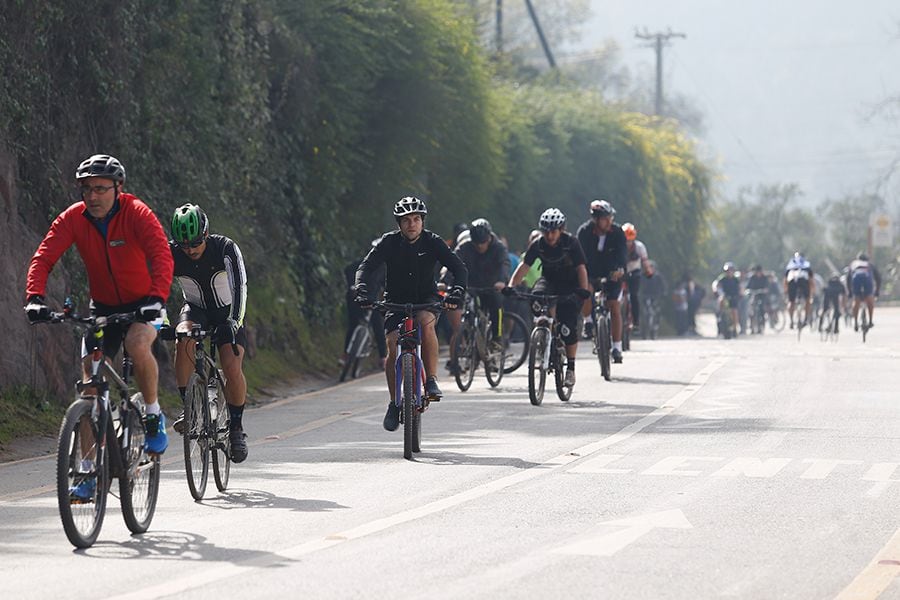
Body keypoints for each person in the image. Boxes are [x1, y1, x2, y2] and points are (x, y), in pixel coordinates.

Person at [25, 154, 173, 498]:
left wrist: (156, 298)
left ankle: (152, 413)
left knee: (138, 345)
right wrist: (35, 296)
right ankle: (89, 471)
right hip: (104, 308)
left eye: (101, 189)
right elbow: (44, 256)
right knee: (89, 387)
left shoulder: (137, 214)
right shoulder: (73, 219)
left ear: (118, 188)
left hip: (144, 304)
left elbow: (161, 255)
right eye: (87, 189)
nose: (92, 196)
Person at [355, 197, 467, 432]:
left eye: (416, 219)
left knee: (426, 324)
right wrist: (362, 290)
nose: (412, 224)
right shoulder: (388, 242)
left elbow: (459, 268)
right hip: (395, 301)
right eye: (406, 220)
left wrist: (457, 291)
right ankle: (394, 404)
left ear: (422, 221)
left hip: (425, 299)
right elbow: (365, 268)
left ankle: (432, 380)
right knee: (392, 345)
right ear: (399, 224)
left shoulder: (433, 242)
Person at [169, 204, 251, 463]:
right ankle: (190, 408)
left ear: (205, 234)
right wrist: (159, 320)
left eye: (195, 243)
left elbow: (240, 286)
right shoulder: (171, 253)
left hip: (228, 313)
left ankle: (236, 427)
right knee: (182, 339)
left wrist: (234, 321)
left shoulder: (225, 248)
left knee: (231, 364)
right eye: (184, 245)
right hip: (195, 310)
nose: (190, 250)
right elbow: (155, 288)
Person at [506, 208, 590, 386]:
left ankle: (571, 369)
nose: (550, 236)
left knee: (567, 326)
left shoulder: (571, 243)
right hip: (549, 281)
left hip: (570, 284)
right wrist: (511, 286)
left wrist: (582, 290)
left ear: (561, 230)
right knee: (536, 297)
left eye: (553, 231)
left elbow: (581, 268)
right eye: (546, 231)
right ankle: (543, 330)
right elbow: (524, 266)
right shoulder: (538, 244)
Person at [446, 218, 510, 374]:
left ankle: (496, 337)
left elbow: (504, 265)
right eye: (477, 243)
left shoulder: (498, 248)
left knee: (496, 304)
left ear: (489, 238)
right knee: (464, 308)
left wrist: (502, 281)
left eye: (483, 242)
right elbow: (451, 263)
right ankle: (470, 340)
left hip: (491, 285)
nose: (480, 246)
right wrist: (444, 281)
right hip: (471, 285)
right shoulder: (465, 247)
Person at [576, 200, 627, 363]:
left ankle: (617, 347)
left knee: (614, 305)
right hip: (590, 272)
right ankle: (588, 322)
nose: (609, 221)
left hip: (612, 273)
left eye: (610, 217)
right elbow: (578, 256)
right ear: (596, 220)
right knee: (586, 290)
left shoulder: (618, 232)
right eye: (605, 218)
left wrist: (619, 269)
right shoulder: (584, 232)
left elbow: (622, 254)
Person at [342, 240, 387, 370]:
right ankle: (345, 354)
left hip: (372, 301)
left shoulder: (383, 269)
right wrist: (352, 286)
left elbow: (387, 285)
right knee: (353, 324)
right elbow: (349, 270)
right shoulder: (361, 264)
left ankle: (383, 357)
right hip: (355, 298)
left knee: (378, 325)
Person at [622, 222, 649, 334]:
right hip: (621, 273)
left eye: (630, 240)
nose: (628, 243)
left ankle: (636, 322)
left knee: (634, 295)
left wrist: (648, 271)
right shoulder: (619, 247)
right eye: (626, 240)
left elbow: (645, 262)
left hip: (635, 272)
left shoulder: (639, 247)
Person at [847, 252, 881, 331]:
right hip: (867, 279)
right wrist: (877, 292)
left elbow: (848, 279)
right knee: (870, 300)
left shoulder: (853, 264)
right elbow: (878, 279)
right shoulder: (869, 264)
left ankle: (855, 322)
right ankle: (870, 321)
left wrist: (850, 292)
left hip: (856, 280)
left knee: (856, 301)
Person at [783, 251, 814, 328]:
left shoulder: (791, 263)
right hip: (803, 279)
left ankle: (791, 321)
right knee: (807, 300)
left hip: (792, 279)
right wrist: (811, 292)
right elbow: (811, 280)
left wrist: (786, 291)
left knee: (791, 302)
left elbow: (785, 280)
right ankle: (806, 318)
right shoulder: (806, 264)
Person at [713, 262, 741, 337]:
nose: (729, 272)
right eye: (727, 271)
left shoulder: (736, 279)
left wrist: (740, 294)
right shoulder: (722, 279)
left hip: (733, 297)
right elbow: (716, 286)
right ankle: (720, 319)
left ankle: (735, 329)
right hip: (725, 297)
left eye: (731, 270)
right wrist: (717, 292)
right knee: (721, 305)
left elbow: (740, 288)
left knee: (734, 311)